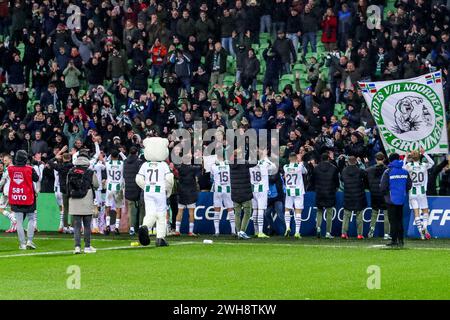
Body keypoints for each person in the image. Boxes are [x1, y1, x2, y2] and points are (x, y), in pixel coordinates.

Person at [67, 151, 99, 254]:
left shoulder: (71, 171)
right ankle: (87, 246)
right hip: (86, 199)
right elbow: (96, 185)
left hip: (74, 200)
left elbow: (67, 185)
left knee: (76, 226)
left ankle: (77, 247)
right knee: (87, 225)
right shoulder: (90, 172)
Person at [7, 150, 39, 250]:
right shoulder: (30, 169)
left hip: (16, 197)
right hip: (28, 197)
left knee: (19, 222)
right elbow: (37, 179)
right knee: (31, 218)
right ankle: (29, 241)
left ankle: (22, 244)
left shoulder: (10, 169)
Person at [380, 153, 412, 248]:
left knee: (393, 220)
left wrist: (386, 194)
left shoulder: (388, 171)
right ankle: (401, 240)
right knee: (399, 220)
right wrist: (402, 192)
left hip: (391, 199)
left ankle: (394, 240)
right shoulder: (405, 171)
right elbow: (409, 185)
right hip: (401, 199)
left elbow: (383, 186)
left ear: (390, 160)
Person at [403, 149, 434, 240]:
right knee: (425, 211)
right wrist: (425, 154)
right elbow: (432, 163)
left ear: (411, 158)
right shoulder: (424, 165)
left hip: (412, 192)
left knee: (416, 213)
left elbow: (402, 167)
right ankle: (425, 227)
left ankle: (421, 234)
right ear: (420, 157)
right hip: (422, 191)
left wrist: (406, 156)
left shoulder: (409, 166)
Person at [249, 148, 277, 238]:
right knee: (260, 210)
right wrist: (265, 157)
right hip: (262, 189)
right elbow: (274, 168)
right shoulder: (265, 163)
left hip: (253, 189)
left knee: (255, 210)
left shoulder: (250, 165)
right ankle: (260, 232)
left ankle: (256, 231)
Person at [340, 156, 368, 239]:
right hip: (359, 196)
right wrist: (364, 164)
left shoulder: (344, 170)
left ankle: (344, 233)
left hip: (348, 195)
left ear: (348, 162)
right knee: (359, 216)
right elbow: (366, 174)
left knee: (346, 216)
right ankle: (359, 234)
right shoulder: (359, 170)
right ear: (356, 162)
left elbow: (341, 179)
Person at [312, 152, 339, 238]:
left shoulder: (316, 168)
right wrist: (335, 188)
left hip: (319, 192)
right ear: (328, 159)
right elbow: (337, 182)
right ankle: (328, 233)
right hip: (330, 192)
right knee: (329, 213)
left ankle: (318, 228)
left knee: (319, 211)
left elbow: (312, 180)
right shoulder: (333, 168)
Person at [174, 152, 201, 236]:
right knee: (191, 212)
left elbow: (175, 169)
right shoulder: (193, 168)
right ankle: (190, 231)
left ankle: (177, 230)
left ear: (182, 160)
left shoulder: (179, 168)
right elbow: (199, 169)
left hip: (181, 192)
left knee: (179, 212)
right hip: (191, 193)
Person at [210, 151, 235, 236]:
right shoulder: (228, 165)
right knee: (230, 210)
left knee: (217, 210)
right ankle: (233, 231)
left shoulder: (214, 166)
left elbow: (212, 177)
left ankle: (217, 231)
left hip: (218, 189)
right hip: (228, 189)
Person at [366, 152, 390, 239]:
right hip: (384, 194)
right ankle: (387, 233)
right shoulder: (388, 169)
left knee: (374, 213)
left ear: (376, 159)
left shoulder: (369, 169)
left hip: (374, 193)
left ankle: (371, 229)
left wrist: (370, 188)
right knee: (386, 214)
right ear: (383, 159)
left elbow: (366, 180)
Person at [283, 152, 307, 239]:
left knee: (287, 209)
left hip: (289, 190)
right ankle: (297, 232)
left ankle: (287, 227)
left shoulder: (285, 167)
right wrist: (300, 161)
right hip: (298, 190)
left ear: (289, 158)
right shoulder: (300, 166)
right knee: (298, 211)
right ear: (296, 158)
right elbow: (305, 172)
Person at [123, 146, 144, 236]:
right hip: (137, 188)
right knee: (142, 209)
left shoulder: (125, 162)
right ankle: (140, 227)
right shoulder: (139, 162)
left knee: (132, 209)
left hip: (128, 188)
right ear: (137, 153)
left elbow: (124, 175)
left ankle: (131, 228)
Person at [104, 149, 126, 235]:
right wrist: (121, 152)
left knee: (107, 206)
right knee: (118, 208)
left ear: (111, 156)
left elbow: (105, 159)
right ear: (118, 156)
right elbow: (126, 159)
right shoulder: (121, 163)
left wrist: (110, 154)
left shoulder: (108, 163)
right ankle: (116, 227)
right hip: (118, 188)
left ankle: (107, 225)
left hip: (109, 188)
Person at [0, 155, 17, 233]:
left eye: (6, 160)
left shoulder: (8, 169)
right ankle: (12, 228)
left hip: (6, 192)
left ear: (10, 160)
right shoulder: (15, 168)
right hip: (13, 191)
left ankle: (14, 220)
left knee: (0, 209)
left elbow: (3, 181)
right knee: (12, 209)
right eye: (4, 160)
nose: (4, 162)